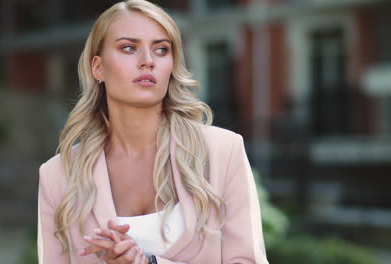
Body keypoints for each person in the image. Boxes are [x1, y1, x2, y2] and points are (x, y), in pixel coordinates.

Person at [37, 0, 269, 263]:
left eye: (161, 50)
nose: (147, 61)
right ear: (97, 67)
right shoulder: (57, 176)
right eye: (128, 48)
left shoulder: (223, 151)